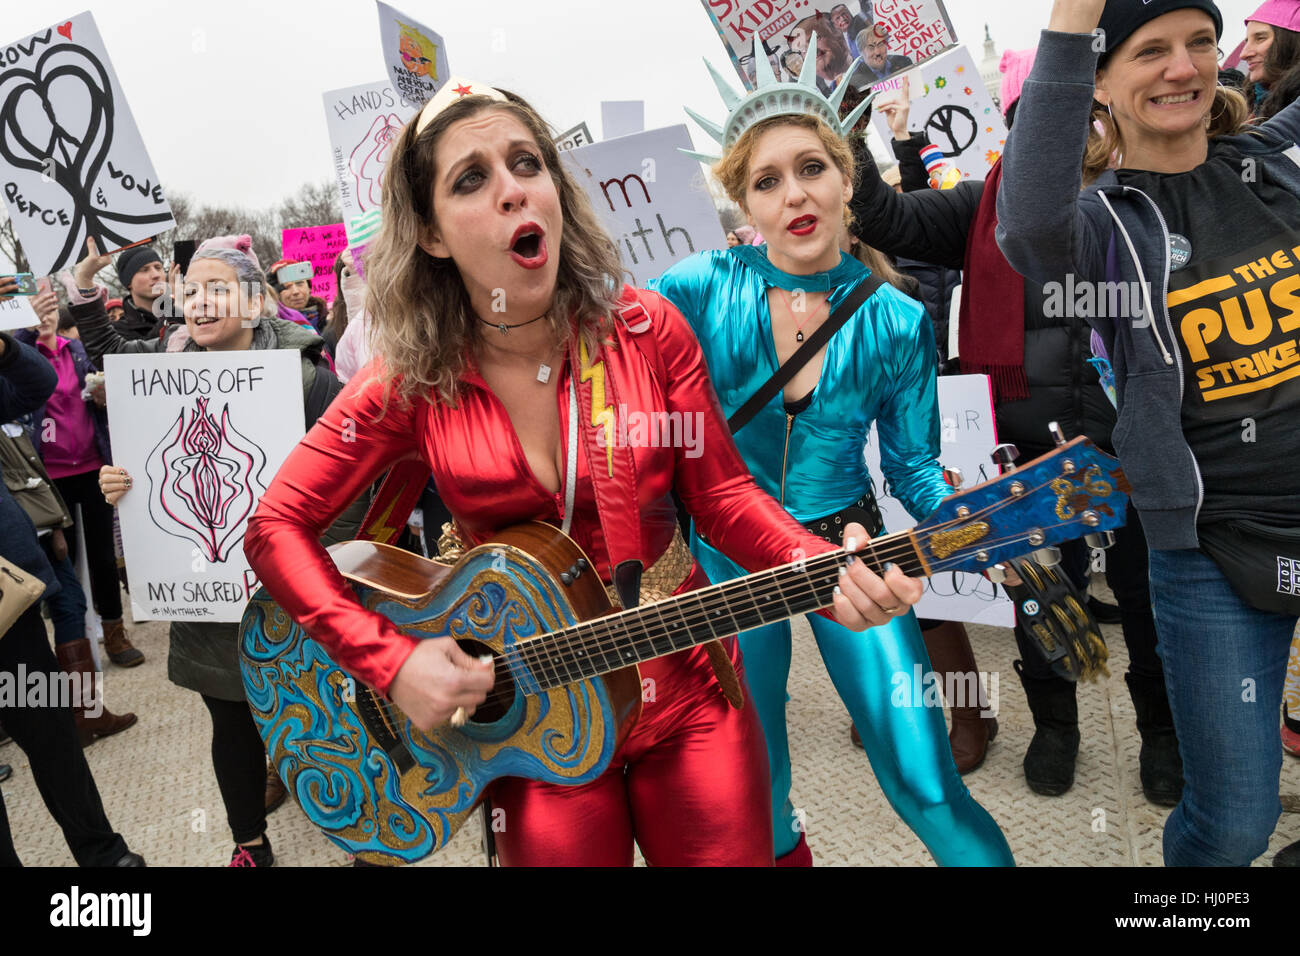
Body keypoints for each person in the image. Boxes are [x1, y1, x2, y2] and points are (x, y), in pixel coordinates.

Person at [240, 77, 925, 867]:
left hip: (691, 690)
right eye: (472, 178)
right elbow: (273, 527)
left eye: (527, 164)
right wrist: (387, 662)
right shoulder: (408, 379)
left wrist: (819, 567)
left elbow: (726, 495)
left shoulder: (647, 328)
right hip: (532, 724)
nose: (512, 190)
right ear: (431, 234)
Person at [663, 39, 1013, 865]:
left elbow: (914, 470)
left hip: (846, 551)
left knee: (925, 779)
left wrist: (981, 524)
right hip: (722, 558)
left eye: (812, 167)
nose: (795, 195)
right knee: (758, 780)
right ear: (744, 198)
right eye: (767, 180)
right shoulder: (698, 285)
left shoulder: (895, 318)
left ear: (847, 178)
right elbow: (610, 377)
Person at [997, 0, 1300, 866]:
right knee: (1234, 822)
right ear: (1098, 82)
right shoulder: (1101, 225)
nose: (1183, 68)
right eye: (1149, 52)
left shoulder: (1278, 162)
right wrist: (1073, 16)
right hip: (1210, 551)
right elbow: (1026, 223)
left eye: (1201, 43)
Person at [852, 59, 1181, 805]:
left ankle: (1161, 733)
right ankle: (1054, 728)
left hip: (1139, 442)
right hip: (1025, 450)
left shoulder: (1150, 193)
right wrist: (849, 131)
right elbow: (887, 219)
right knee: (1039, 595)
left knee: (1148, 596)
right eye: (1038, 111)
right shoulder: (984, 206)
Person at [75, 233, 365, 866]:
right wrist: (118, 485)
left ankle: (357, 837)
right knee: (231, 722)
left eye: (217, 289)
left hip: (296, 596)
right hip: (209, 599)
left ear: (256, 304)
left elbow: (353, 492)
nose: (200, 303)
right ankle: (249, 843)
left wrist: (314, 577)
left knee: (320, 720)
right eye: (192, 291)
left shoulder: (311, 382)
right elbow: (151, 476)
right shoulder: (160, 383)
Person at [0, 282, 144, 867]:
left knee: (50, 732)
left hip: (6, 603)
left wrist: (5, 349)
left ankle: (103, 855)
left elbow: (36, 386)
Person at [15, 289, 145, 670]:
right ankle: (74, 642)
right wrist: (23, 332)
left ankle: (114, 631)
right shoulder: (20, 358)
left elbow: (105, 392)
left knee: (104, 556)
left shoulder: (76, 350)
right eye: (35, 310)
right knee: (63, 560)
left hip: (91, 466)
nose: (45, 316)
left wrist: (105, 396)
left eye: (50, 308)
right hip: (47, 477)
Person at [1241, 0, 1300, 119]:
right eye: (1247, 41)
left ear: (1291, 43)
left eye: (1260, 38)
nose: (1244, 54)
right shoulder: (1246, 109)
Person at [113, 246, 169, 341]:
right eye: (144, 270)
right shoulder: (117, 331)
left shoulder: (187, 312)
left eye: (158, 267)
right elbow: (149, 351)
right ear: (129, 282)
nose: (156, 275)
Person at [268, 259, 329, 331]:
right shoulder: (271, 325)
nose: (295, 291)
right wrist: (265, 285)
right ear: (276, 292)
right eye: (287, 287)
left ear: (309, 287)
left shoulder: (329, 318)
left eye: (299, 283)